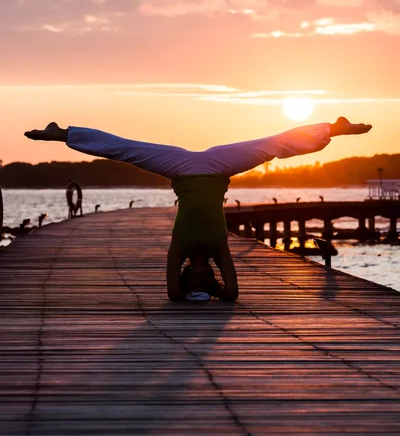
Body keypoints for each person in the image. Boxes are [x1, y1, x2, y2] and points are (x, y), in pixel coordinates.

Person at [25, 117, 372, 302]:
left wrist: (190, 293)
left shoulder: (181, 246)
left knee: (125, 149)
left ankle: (65, 133)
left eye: (197, 281)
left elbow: (173, 294)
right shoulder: (218, 247)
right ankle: (333, 130)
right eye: (208, 282)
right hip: (219, 166)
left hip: (180, 168)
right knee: (273, 146)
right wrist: (218, 293)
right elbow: (233, 293)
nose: (203, 277)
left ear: (187, 274)